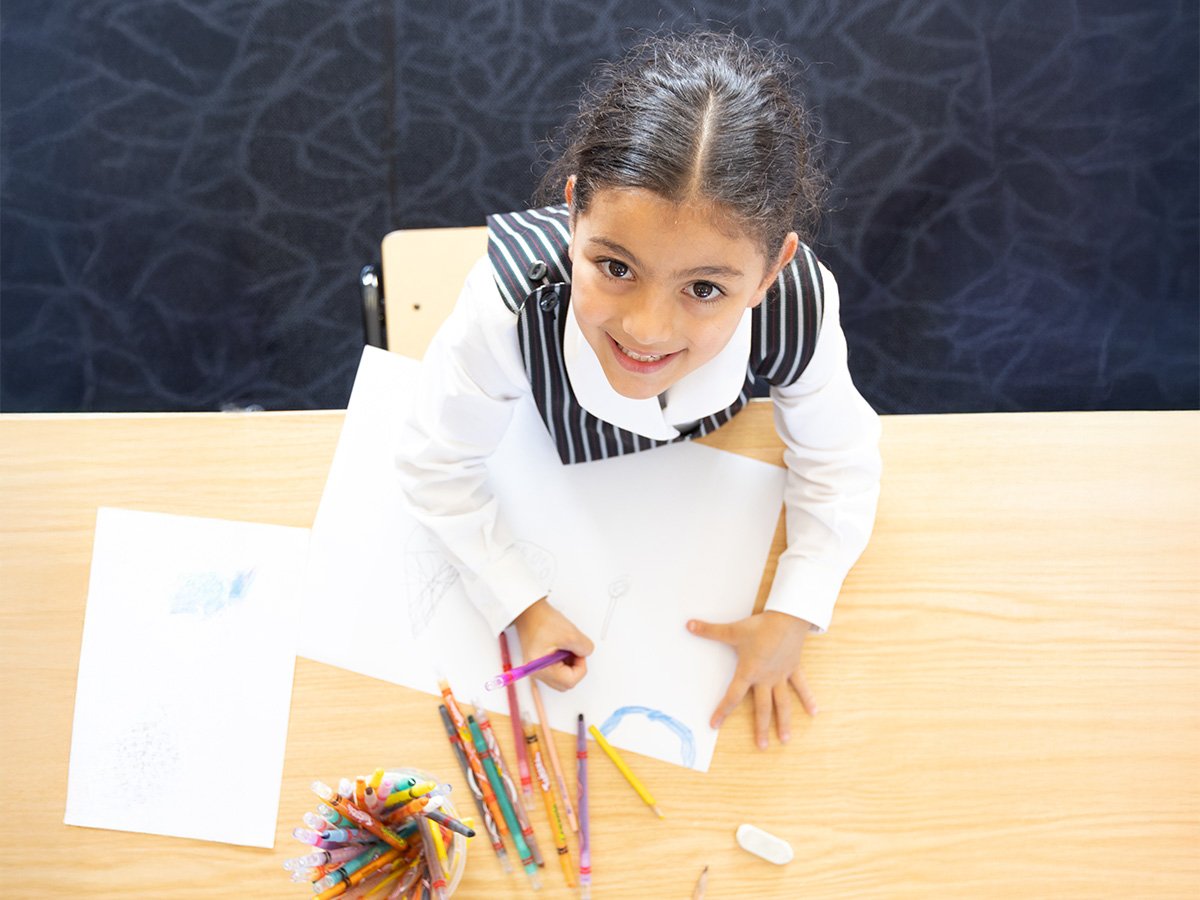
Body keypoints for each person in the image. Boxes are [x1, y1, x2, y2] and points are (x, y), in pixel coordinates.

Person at [397, 31, 881, 750]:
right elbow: (433, 462)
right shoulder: (509, 302)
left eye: (706, 289)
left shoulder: (801, 302)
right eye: (615, 267)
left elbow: (840, 460)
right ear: (572, 215)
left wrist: (795, 608)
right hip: (542, 458)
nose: (647, 330)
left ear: (774, 268)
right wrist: (518, 600)